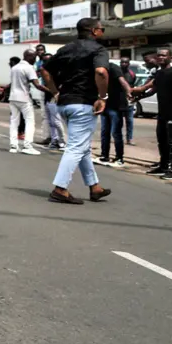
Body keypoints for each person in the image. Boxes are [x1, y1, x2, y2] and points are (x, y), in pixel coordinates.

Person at [39, 18, 112, 204]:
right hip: (83, 104)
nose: (103, 32)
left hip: (64, 104)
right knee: (75, 147)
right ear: (94, 31)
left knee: (82, 146)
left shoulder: (65, 49)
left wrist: (55, 92)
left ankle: (94, 187)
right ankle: (60, 188)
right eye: (101, 29)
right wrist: (102, 97)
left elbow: (44, 71)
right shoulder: (98, 50)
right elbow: (101, 72)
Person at [130, 49, 172, 180]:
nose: (160, 57)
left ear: (170, 57)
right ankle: (163, 166)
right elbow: (153, 89)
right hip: (162, 113)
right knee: (162, 141)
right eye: (159, 55)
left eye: (164, 55)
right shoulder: (159, 73)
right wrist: (138, 97)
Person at [6, 49, 48, 155]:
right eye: (34, 58)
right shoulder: (29, 68)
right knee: (30, 122)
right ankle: (27, 145)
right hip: (24, 98)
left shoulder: (15, 67)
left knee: (14, 122)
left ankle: (13, 145)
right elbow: (37, 85)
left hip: (13, 97)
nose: (35, 60)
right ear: (29, 57)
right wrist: (51, 91)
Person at [98, 56, 133, 168]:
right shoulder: (98, 70)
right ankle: (104, 156)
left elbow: (123, 81)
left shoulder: (113, 68)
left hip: (116, 106)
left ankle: (119, 158)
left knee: (116, 133)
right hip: (105, 105)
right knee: (104, 132)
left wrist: (129, 92)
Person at [34, 45, 66, 150]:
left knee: (56, 120)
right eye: (44, 61)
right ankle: (54, 140)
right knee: (50, 120)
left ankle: (62, 141)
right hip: (48, 96)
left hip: (54, 97)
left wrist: (55, 93)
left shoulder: (58, 72)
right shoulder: (44, 71)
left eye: (48, 60)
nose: (45, 63)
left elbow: (60, 85)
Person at [118, 56, 137, 144]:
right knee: (118, 121)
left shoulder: (132, 74)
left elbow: (132, 86)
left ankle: (129, 138)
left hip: (128, 100)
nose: (124, 64)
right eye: (122, 62)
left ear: (129, 64)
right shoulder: (116, 73)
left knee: (129, 120)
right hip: (118, 100)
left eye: (126, 62)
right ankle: (118, 138)